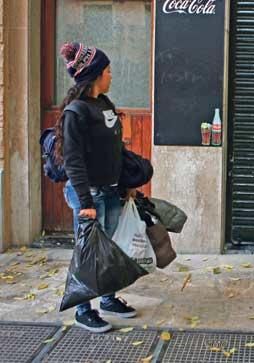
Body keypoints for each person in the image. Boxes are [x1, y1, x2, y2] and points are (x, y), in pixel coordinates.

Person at [56, 42, 138, 333]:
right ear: (94, 75)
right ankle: (82, 310)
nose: (111, 75)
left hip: (111, 190)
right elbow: (73, 162)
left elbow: (116, 150)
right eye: (107, 71)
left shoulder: (104, 105)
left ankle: (108, 299)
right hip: (88, 194)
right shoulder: (76, 113)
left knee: (109, 249)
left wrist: (128, 184)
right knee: (88, 253)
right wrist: (85, 202)